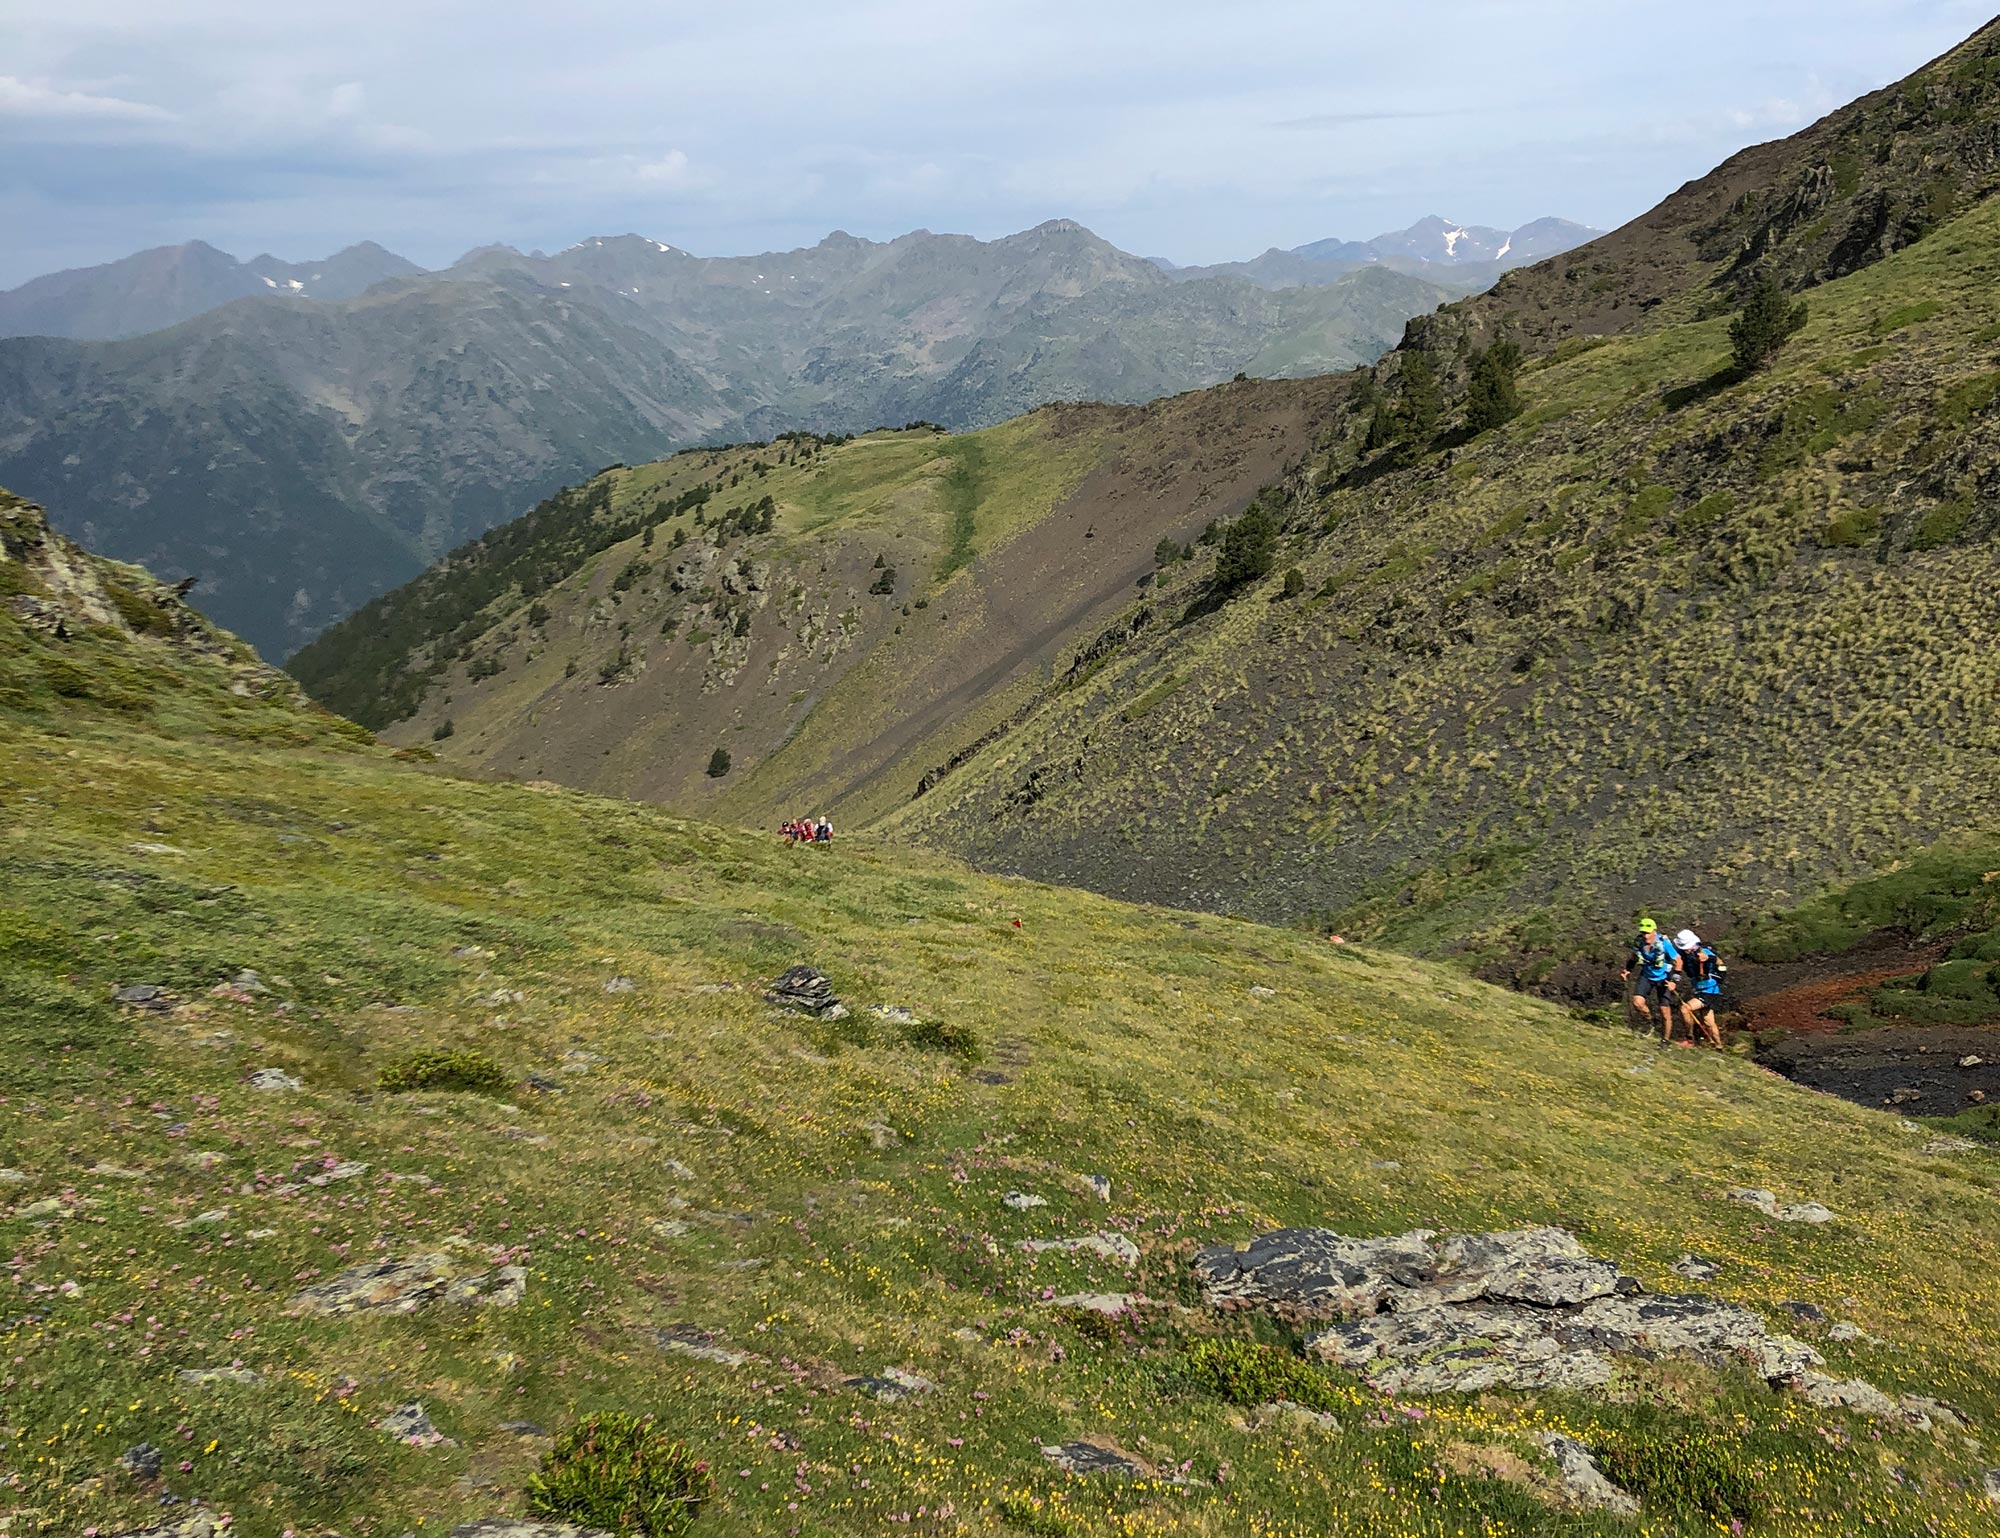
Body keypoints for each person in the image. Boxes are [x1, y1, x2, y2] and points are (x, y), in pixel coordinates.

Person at [1620, 918, 1683, 1041]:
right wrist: (1628, 970)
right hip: (1647, 975)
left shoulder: (1664, 943)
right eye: (1643, 932)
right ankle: (1650, 1021)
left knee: (1665, 1011)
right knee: (1637, 1002)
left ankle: (1666, 1040)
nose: (1645, 936)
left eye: (1648, 932)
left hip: (1664, 978)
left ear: (1654, 931)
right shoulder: (1639, 942)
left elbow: (1678, 961)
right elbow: (1634, 957)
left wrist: (1674, 982)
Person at [1675, 928, 1726, 1048]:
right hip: (1699, 989)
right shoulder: (1684, 954)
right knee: (1709, 1022)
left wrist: (1708, 958)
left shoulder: (1704, 951)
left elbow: (1720, 962)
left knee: (1685, 1008)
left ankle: (1689, 1039)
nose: (1685, 950)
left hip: (1710, 991)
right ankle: (1719, 1047)